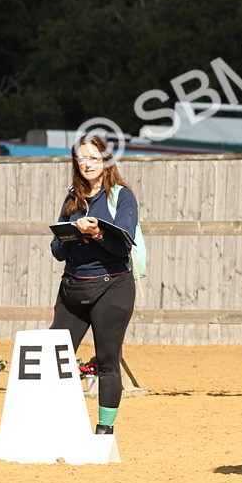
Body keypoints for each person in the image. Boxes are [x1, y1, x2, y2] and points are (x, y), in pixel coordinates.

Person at [49, 135, 138, 433]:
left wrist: (98, 233)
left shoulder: (121, 197)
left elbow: (122, 248)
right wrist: (70, 232)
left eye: (93, 157)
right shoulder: (72, 197)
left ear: (106, 160)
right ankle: (59, 423)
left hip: (112, 287)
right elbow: (58, 252)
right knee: (54, 359)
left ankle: (104, 430)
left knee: (107, 361)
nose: (87, 164)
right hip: (73, 288)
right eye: (81, 158)